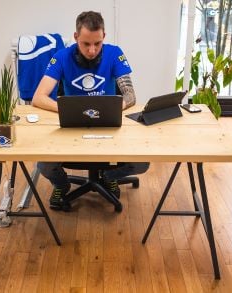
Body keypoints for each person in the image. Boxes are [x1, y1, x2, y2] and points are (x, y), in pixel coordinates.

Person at [32, 11, 149, 210]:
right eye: (86, 44)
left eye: (97, 43)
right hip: (72, 126)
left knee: (142, 163)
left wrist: (109, 109)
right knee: (44, 164)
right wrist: (67, 110)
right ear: (76, 37)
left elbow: (130, 95)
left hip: (108, 125)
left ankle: (108, 175)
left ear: (103, 36)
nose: (92, 50)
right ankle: (62, 184)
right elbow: (38, 97)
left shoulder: (114, 53)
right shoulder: (61, 57)